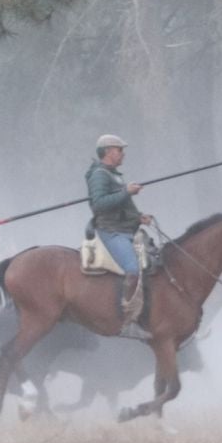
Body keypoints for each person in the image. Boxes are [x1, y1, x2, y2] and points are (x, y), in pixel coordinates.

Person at [86, 134, 152, 321]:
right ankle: (128, 317)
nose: (123, 154)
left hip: (125, 230)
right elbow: (99, 204)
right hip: (111, 232)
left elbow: (121, 207)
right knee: (133, 269)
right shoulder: (99, 175)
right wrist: (126, 192)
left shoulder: (114, 175)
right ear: (108, 151)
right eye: (120, 150)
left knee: (151, 263)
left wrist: (138, 217)